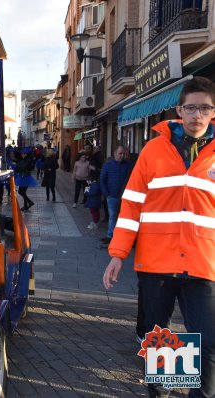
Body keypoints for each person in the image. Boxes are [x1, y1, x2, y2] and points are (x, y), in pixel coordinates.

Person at [103, 76, 215, 398]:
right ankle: (162, 391)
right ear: (179, 109)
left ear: (212, 111)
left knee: (207, 341)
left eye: (204, 108)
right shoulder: (153, 150)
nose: (197, 115)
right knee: (159, 339)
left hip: (204, 265)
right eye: (191, 107)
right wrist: (118, 254)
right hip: (156, 265)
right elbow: (131, 204)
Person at [99, 146, 131, 245]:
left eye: (123, 154)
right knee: (113, 216)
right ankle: (110, 235)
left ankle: (122, 236)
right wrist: (106, 193)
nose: (122, 156)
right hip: (112, 196)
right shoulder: (108, 165)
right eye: (120, 153)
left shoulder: (128, 166)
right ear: (115, 153)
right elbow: (102, 179)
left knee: (124, 217)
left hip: (124, 196)